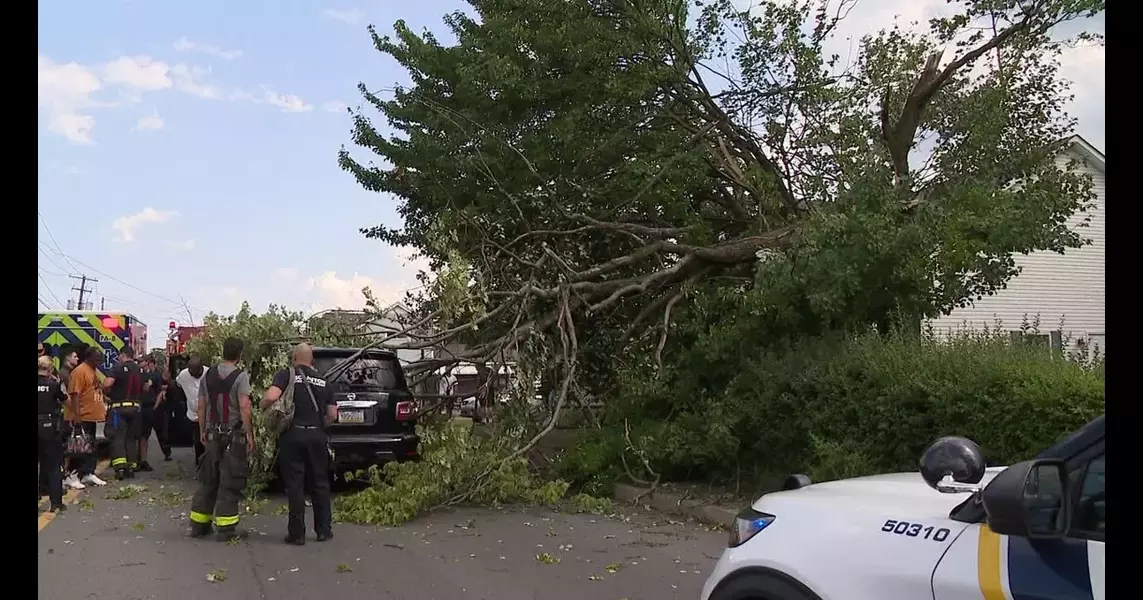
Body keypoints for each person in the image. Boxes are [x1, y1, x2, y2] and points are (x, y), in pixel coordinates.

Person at [261, 343, 337, 545]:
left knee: (295, 485)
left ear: (294, 358)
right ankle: (324, 531)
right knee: (320, 483)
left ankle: (297, 534)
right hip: (317, 437)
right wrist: (319, 426)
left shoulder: (286, 374)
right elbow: (332, 414)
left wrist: (263, 407)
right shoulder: (323, 381)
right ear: (311, 360)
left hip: (293, 436)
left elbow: (271, 396)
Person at [188, 338, 254, 542]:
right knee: (230, 481)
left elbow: (201, 405)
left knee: (208, 479)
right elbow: (244, 406)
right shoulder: (240, 376)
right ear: (239, 355)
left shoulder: (208, 375)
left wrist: (202, 431)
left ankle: (199, 526)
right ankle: (226, 530)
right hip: (233, 437)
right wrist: (250, 434)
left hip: (211, 435)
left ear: (222, 352)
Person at [63, 347, 108, 489]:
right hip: (82, 416)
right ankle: (71, 476)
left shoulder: (93, 371)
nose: (100, 361)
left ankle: (88, 472)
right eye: (97, 358)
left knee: (90, 448)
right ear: (89, 358)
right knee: (79, 448)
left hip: (92, 416)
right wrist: (77, 416)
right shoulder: (80, 371)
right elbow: (75, 394)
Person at [103, 346, 144, 479]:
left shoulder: (118, 368)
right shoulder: (140, 369)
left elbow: (107, 384)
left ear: (123, 355)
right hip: (135, 409)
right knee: (131, 439)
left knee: (118, 438)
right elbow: (146, 387)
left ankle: (120, 468)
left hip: (119, 409)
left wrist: (106, 392)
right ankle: (131, 468)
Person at [38, 356, 68, 512]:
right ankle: (56, 503)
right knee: (53, 465)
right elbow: (65, 400)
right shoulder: (54, 385)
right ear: (50, 369)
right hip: (48, 426)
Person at [136, 355, 169, 469]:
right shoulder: (136, 374)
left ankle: (143, 460)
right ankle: (137, 460)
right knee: (137, 435)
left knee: (145, 435)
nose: (141, 364)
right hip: (138, 407)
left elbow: (159, 391)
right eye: (139, 361)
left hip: (148, 407)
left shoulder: (154, 376)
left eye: (143, 361)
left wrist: (155, 406)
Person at [175, 356, 207, 467]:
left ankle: (207, 466)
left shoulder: (208, 374)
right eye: (191, 372)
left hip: (208, 415)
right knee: (198, 442)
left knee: (207, 442)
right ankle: (200, 465)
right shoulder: (183, 375)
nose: (193, 375)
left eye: (196, 372)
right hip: (193, 415)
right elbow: (177, 385)